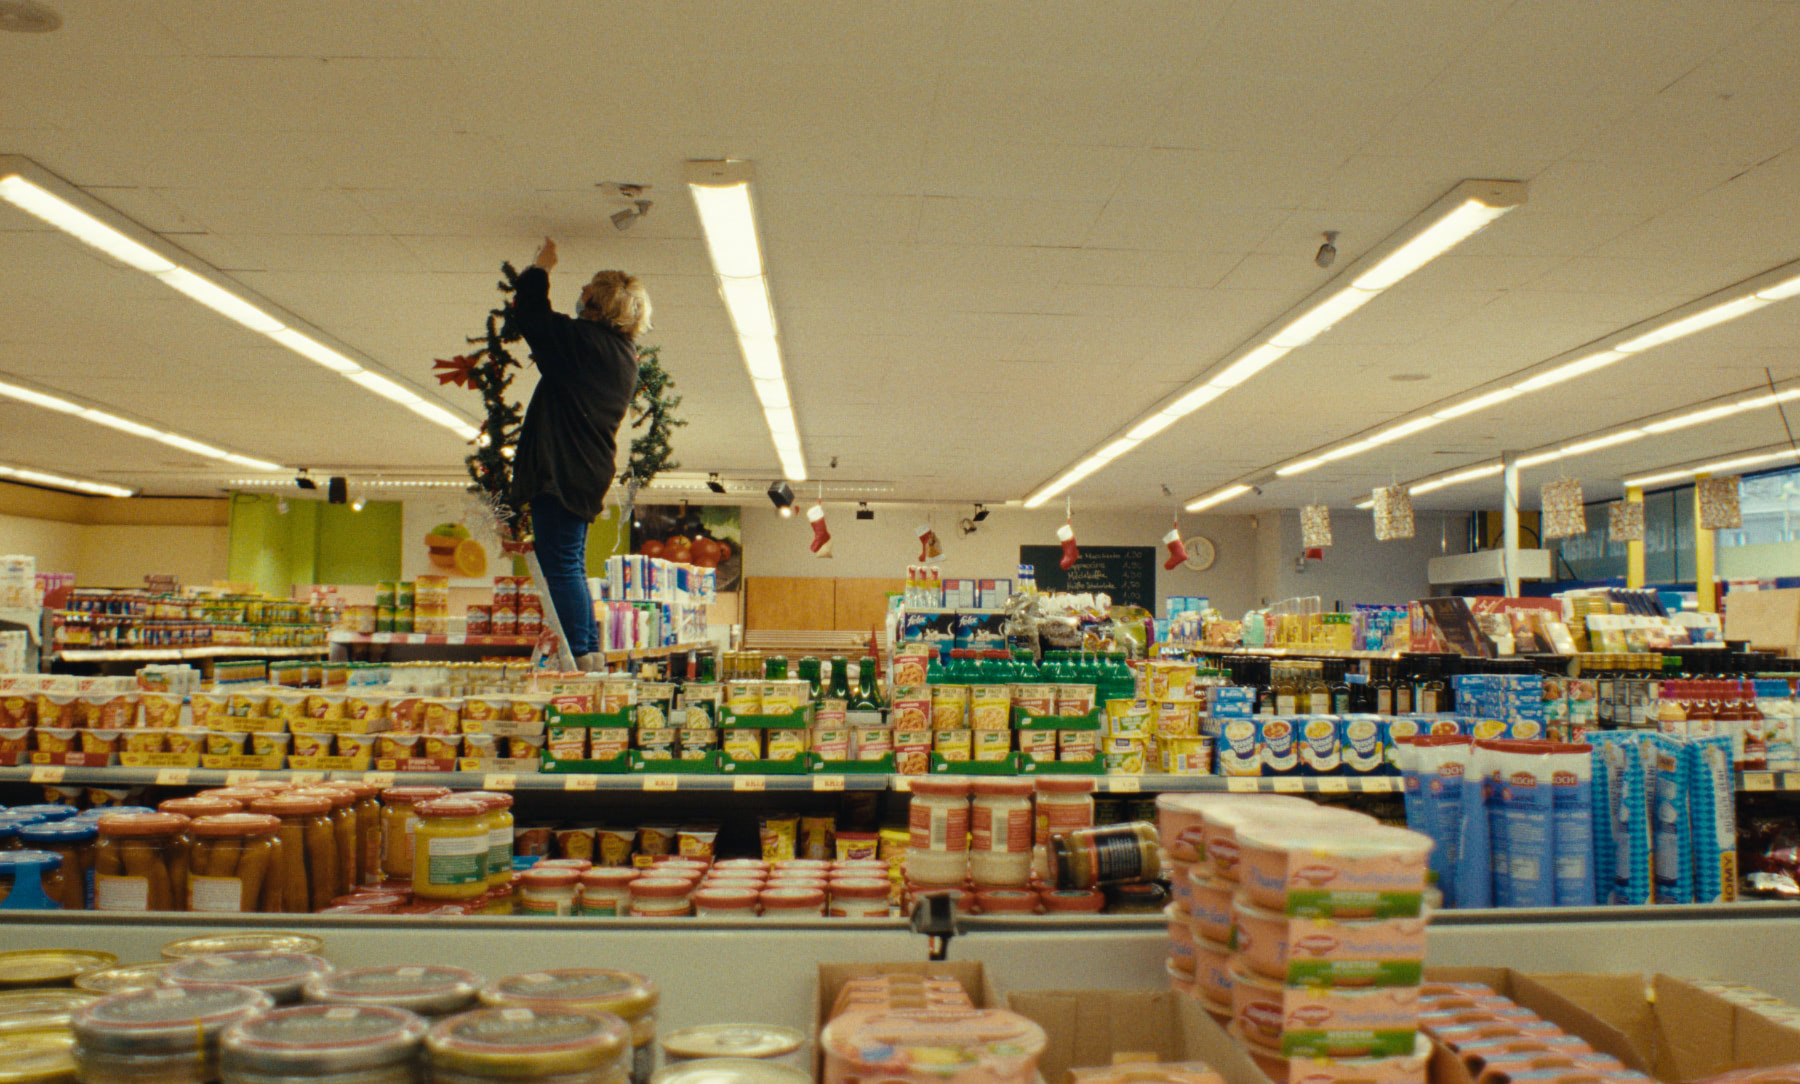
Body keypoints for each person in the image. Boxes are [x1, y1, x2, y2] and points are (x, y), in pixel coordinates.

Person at [508, 237, 649, 670]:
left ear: (597, 302)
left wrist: (541, 267)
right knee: (567, 562)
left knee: (561, 566)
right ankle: (585, 649)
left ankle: (580, 654)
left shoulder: (586, 345)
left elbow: (531, 316)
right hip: (583, 469)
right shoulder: (620, 354)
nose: (581, 293)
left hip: (563, 468)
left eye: (588, 289)